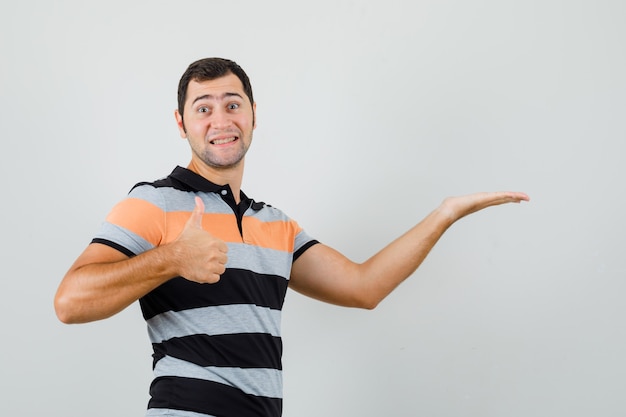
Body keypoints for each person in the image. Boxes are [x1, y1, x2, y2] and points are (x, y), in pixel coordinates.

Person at [54, 57, 529, 417]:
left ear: (254, 115)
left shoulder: (275, 224)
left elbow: (364, 288)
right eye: (203, 108)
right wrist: (172, 258)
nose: (220, 120)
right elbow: (70, 302)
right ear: (182, 123)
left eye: (232, 105)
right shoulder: (155, 202)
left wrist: (444, 214)